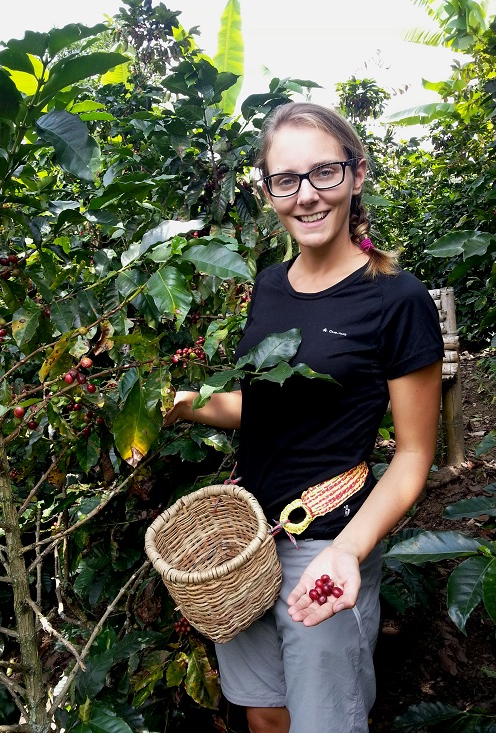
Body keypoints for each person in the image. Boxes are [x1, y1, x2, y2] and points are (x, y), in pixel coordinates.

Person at [164, 102, 444, 733]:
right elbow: (267, 408)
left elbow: (412, 455)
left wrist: (347, 552)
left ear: (357, 173)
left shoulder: (395, 299)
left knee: (324, 721)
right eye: (286, 180)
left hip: (326, 539)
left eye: (324, 172)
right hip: (245, 539)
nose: (307, 195)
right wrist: (184, 406)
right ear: (268, 191)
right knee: (264, 713)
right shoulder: (269, 286)